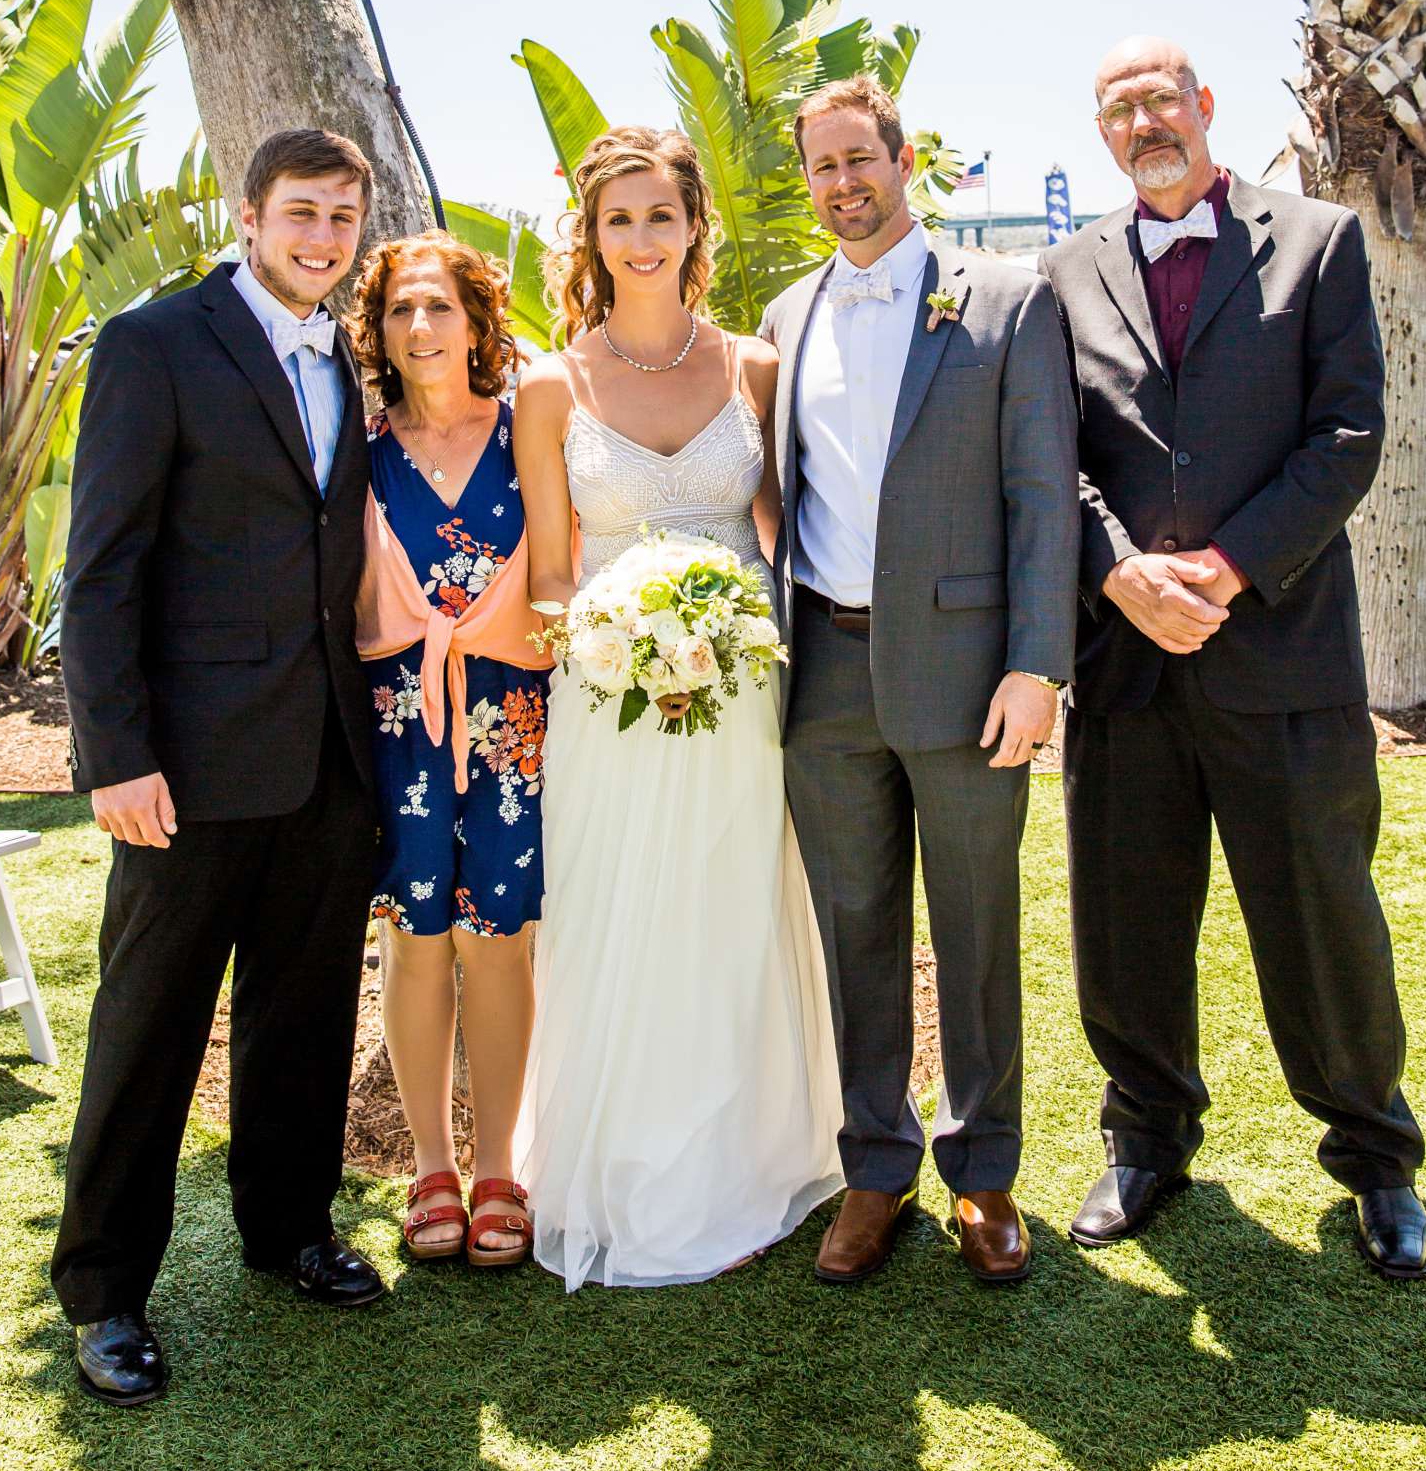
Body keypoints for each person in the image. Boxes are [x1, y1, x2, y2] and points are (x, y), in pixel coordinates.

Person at [1040, 35, 1426, 1279]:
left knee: (1321, 920)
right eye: (1119, 109)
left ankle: (1375, 1161)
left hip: (1280, 652)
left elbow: (1348, 431)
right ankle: (1146, 1141)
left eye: (1160, 98)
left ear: (1204, 106)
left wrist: (1225, 569)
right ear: (1103, 132)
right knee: (1127, 923)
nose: (1143, 121)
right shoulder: (1060, 272)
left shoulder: (1316, 241)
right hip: (1126, 665)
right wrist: (1116, 570)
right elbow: (1056, 458)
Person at [52, 129, 385, 1405]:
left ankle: (289, 1228)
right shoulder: (154, 344)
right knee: (149, 1029)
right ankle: (104, 1292)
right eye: (301, 213)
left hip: (326, 758)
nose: (322, 237)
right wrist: (116, 755)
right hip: (183, 769)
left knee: (302, 1013)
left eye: (342, 217)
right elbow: (102, 570)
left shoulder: (345, 357)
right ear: (249, 216)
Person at [761, 74, 1080, 1285]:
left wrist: (1036, 664)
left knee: (975, 927)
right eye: (823, 167)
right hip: (823, 676)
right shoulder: (784, 320)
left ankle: (985, 1174)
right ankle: (874, 1168)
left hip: (964, 673)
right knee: (855, 931)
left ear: (903, 161)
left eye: (862, 159)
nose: (843, 184)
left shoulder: (1005, 301)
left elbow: (1042, 497)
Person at [513, 126, 842, 1289]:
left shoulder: (754, 366)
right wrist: (624, 639)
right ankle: (631, 1169)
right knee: (622, 920)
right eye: (619, 220)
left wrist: (717, 637)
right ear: (590, 238)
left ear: (695, 225)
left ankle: (751, 1161)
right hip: (611, 701)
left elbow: (782, 537)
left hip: (746, 691)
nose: (641, 240)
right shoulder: (549, 388)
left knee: (735, 911)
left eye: (661, 216)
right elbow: (551, 572)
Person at [349, 233, 548, 1267]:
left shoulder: (531, 432)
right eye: (397, 311)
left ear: (476, 321)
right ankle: (432, 1166)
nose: (419, 328)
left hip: (518, 723)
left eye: (438, 307)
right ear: (376, 332)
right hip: (396, 726)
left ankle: (502, 1165)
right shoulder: (358, 446)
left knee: (501, 935)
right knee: (414, 937)